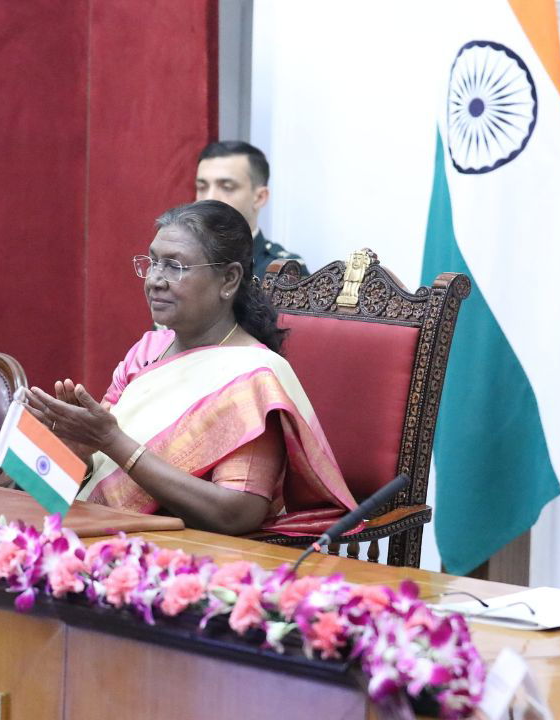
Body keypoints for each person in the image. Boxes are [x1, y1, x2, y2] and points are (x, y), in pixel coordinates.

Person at [24, 200, 355, 535]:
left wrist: (111, 441)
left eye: (175, 267)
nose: (155, 280)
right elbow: (102, 475)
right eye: (153, 263)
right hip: (99, 533)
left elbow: (237, 513)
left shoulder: (255, 377)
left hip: (184, 554)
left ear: (228, 279)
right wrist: (77, 449)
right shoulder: (147, 352)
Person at [195, 141, 307, 280]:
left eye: (227, 187)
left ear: (259, 197)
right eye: (202, 187)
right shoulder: (182, 260)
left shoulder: (285, 270)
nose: (210, 198)